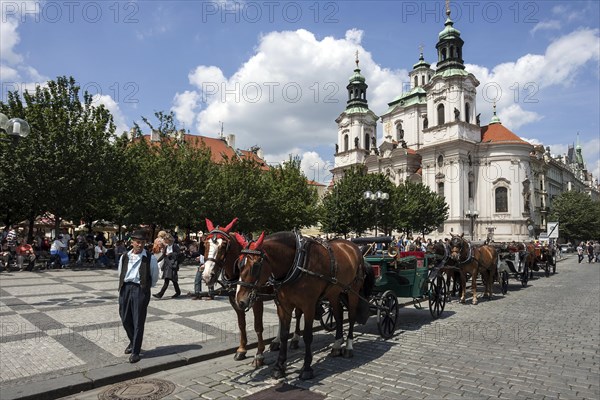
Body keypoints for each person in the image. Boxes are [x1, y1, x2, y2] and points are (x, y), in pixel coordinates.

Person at [117, 230, 159, 363]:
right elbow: (120, 272)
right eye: (137, 242)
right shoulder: (125, 256)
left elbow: (155, 275)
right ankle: (132, 341)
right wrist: (123, 286)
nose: (140, 245)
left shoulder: (149, 257)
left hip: (140, 289)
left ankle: (135, 350)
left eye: (142, 242)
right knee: (125, 318)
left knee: (138, 321)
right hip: (125, 288)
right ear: (132, 242)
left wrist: (145, 286)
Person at [153, 232, 182, 299]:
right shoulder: (167, 246)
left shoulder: (175, 246)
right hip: (167, 265)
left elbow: (178, 254)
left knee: (169, 279)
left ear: (169, 239)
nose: (164, 241)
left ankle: (161, 294)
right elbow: (163, 255)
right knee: (171, 279)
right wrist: (157, 261)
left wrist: (170, 254)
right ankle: (177, 292)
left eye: (165, 239)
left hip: (172, 265)